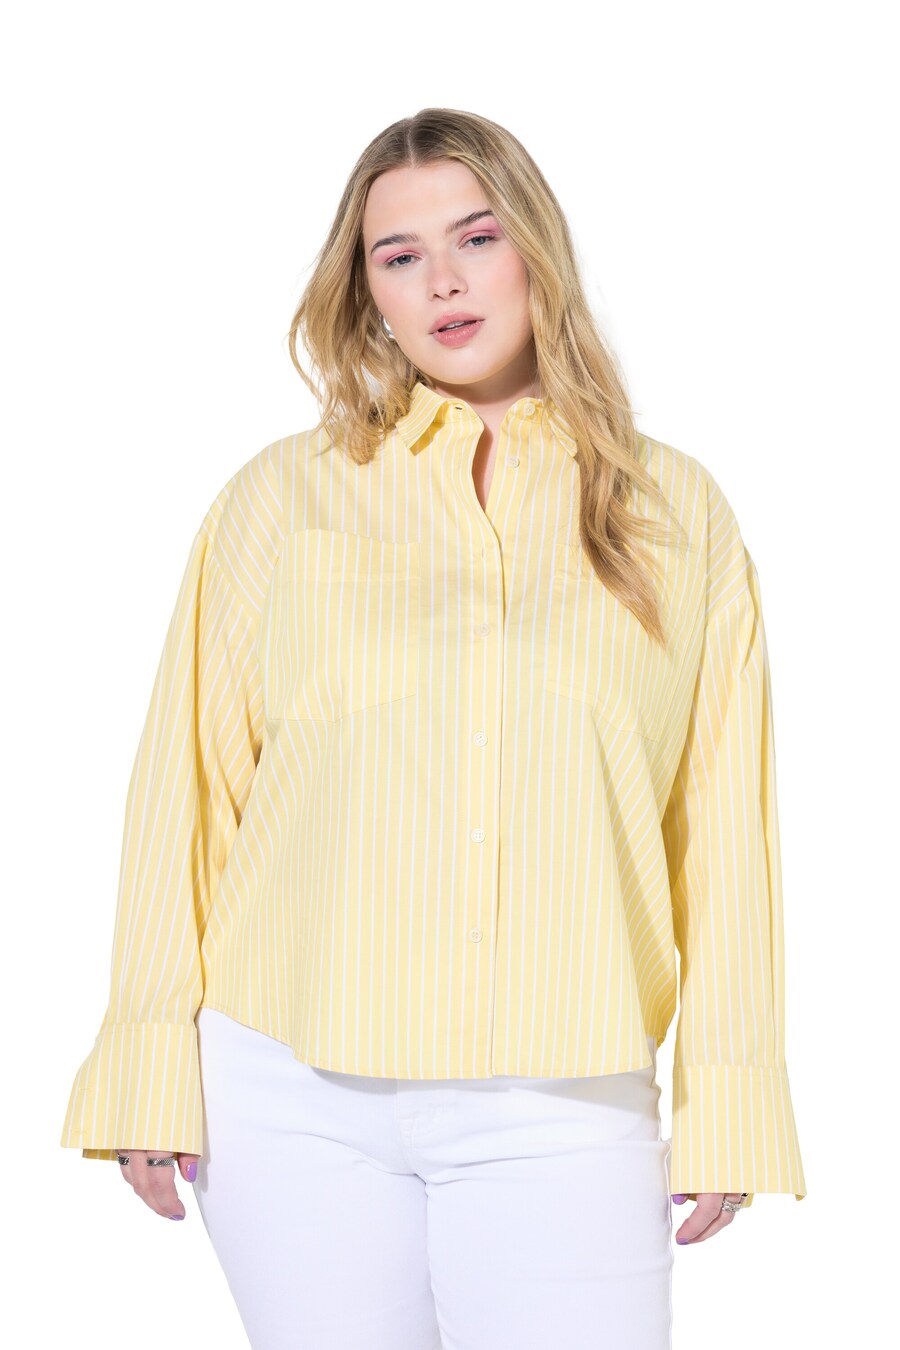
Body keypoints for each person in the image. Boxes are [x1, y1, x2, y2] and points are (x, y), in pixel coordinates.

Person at [60, 107, 806, 1350]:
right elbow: (187, 796)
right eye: (399, 256)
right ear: (367, 293)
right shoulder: (279, 501)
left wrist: (729, 1097)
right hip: (287, 1097)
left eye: (477, 236)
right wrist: (146, 1056)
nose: (444, 281)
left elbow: (725, 833)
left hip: (564, 1100)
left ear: (537, 250)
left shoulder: (676, 512)